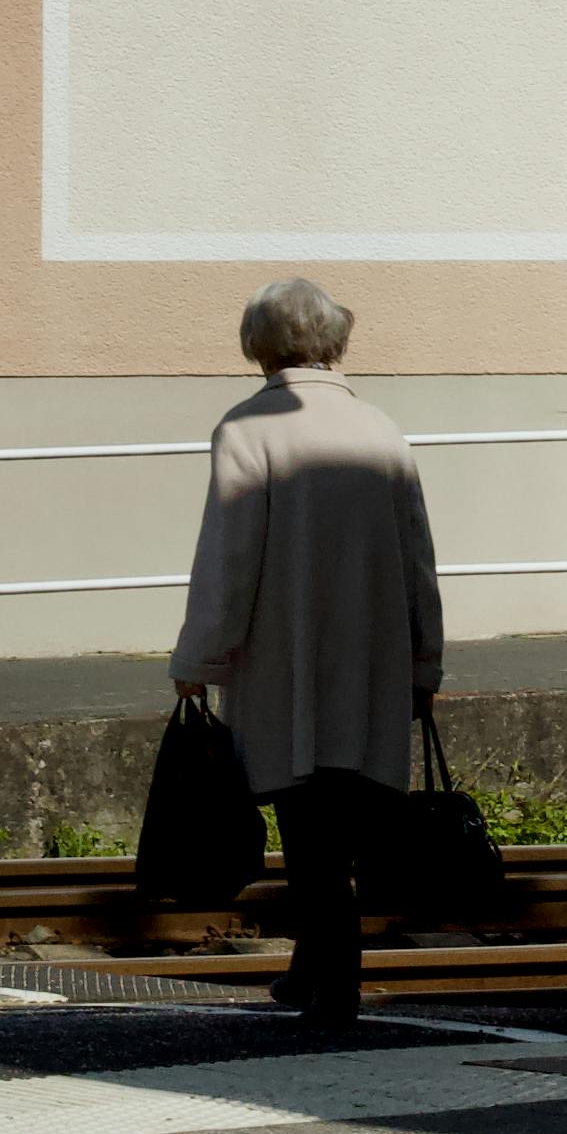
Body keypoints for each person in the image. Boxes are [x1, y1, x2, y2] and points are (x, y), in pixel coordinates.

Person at [171, 276, 444, 1032]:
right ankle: (312, 969)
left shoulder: (248, 429)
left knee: (306, 826)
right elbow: (419, 556)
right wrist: (427, 661)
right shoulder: (381, 429)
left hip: (283, 662)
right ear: (335, 339)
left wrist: (199, 656)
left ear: (258, 344)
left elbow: (229, 560)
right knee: (345, 824)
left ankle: (336, 984)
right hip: (374, 661)